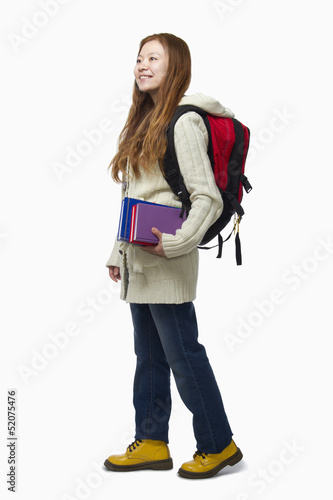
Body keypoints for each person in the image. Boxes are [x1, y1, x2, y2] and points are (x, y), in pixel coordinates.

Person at [104, 33, 243, 480]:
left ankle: (218, 444)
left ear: (175, 66)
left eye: (153, 58)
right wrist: (116, 250)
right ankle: (151, 442)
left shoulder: (183, 121)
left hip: (167, 258)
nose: (142, 65)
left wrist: (177, 244)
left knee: (183, 354)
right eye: (139, 58)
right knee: (147, 354)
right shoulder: (146, 120)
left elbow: (208, 199)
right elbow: (137, 195)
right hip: (139, 261)